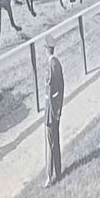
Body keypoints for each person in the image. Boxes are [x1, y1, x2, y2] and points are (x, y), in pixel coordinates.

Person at [44, 38, 65, 184]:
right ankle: (58, 171)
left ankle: (49, 176)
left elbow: (51, 92)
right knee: (55, 142)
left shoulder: (51, 65)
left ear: (47, 50)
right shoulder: (57, 63)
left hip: (51, 112)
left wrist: (53, 112)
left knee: (50, 144)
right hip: (55, 110)